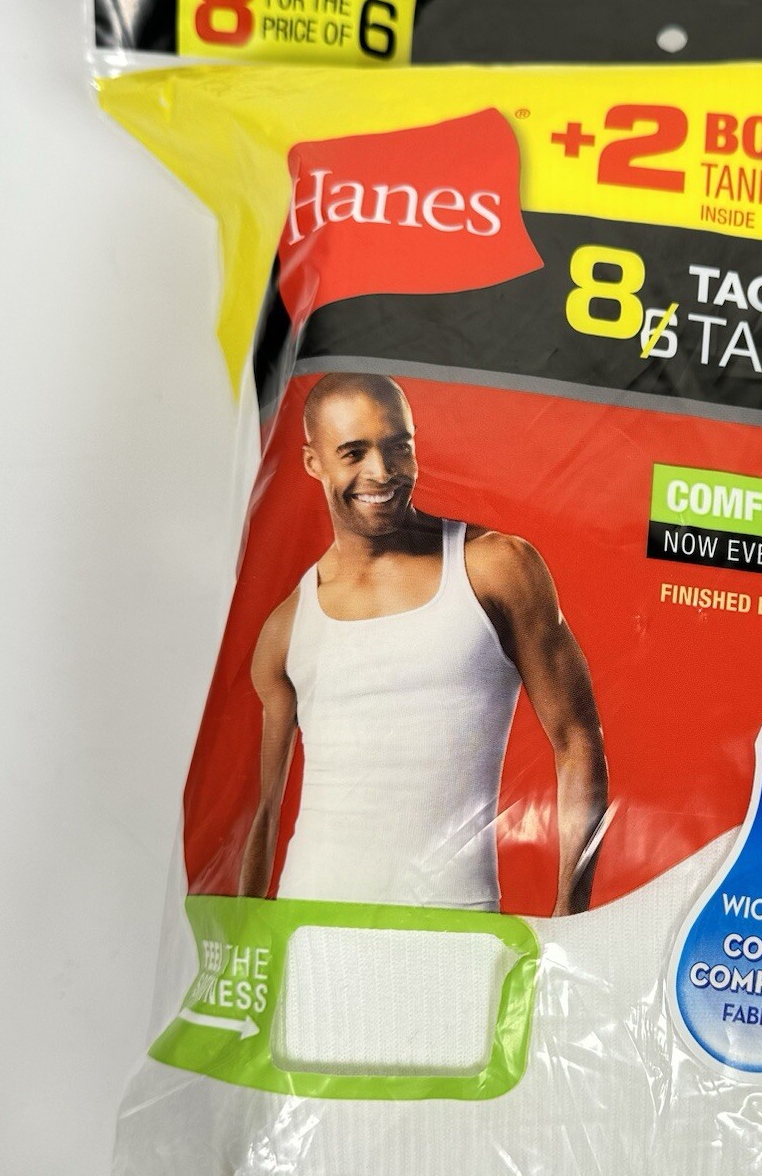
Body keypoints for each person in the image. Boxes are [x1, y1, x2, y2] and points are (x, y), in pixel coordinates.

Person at [238, 372, 608, 915]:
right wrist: (244, 938)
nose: (381, 471)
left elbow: (578, 739)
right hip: (308, 925)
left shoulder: (495, 566)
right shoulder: (286, 626)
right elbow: (262, 811)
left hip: (457, 926)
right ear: (313, 462)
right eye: (354, 452)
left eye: (398, 447)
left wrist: (570, 918)